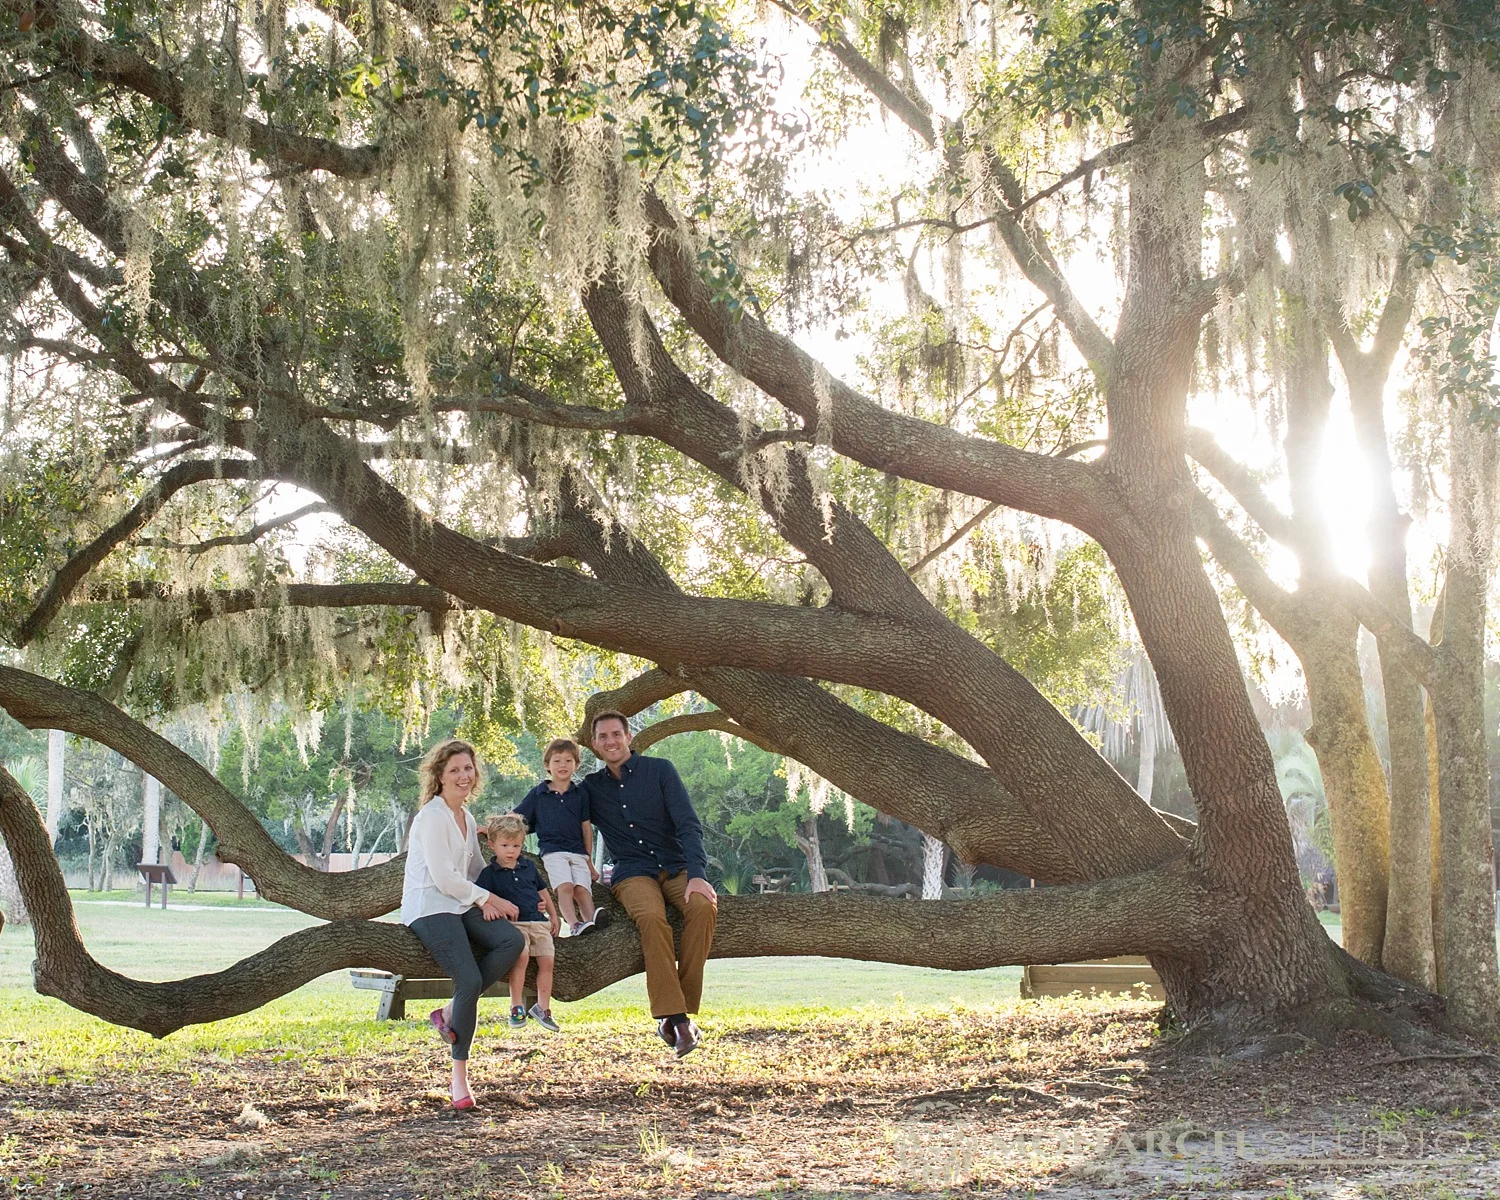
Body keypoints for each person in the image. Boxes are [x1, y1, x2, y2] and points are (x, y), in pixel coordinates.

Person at [582, 709, 718, 1058]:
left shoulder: (660, 771)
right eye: (603, 737)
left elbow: (688, 824)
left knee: (703, 908)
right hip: (633, 873)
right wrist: (508, 824)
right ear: (595, 745)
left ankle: (679, 1012)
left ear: (628, 737)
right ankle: (678, 1020)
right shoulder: (591, 789)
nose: (611, 741)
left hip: (676, 866)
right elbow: (551, 806)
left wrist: (697, 875)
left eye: (616, 734)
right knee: (651, 919)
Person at [401, 739, 525, 1110]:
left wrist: (507, 896)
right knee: (468, 979)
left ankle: (450, 1012)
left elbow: (475, 871)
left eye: (468, 768)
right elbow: (443, 878)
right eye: (454, 770)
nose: (463, 776)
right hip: (430, 905)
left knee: (512, 941)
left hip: (460, 902)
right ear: (439, 776)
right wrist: (487, 900)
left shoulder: (467, 818)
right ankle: (459, 1078)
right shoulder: (432, 817)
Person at [476, 813, 562, 1031]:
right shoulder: (489, 874)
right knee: (521, 957)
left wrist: (553, 915)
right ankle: (516, 1006)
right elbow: (480, 897)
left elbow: (542, 892)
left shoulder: (529, 867)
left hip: (538, 923)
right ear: (492, 845)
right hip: (514, 925)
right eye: (505, 845)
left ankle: (543, 1008)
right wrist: (487, 907)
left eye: (516, 846)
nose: (511, 851)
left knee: (547, 962)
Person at [514, 738, 607, 936]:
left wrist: (589, 861)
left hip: (578, 852)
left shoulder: (580, 794)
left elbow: (586, 828)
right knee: (565, 887)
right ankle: (574, 925)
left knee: (582, 889)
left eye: (568, 760)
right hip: (553, 851)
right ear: (547, 765)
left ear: (576, 764)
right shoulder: (539, 793)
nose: (562, 765)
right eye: (557, 761)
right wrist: (491, 827)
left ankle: (591, 922)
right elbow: (516, 816)